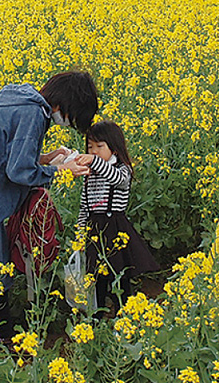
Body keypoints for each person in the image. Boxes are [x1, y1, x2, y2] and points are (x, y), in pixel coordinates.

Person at [0, 71, 98, 338]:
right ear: (62, 106)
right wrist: (63, 172)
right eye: (71, 119)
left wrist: (48, 158)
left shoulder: (22, 103)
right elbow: (18, 171)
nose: (67, 124)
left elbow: (7, 156)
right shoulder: (33, 113)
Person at [75, 120, 160, 314]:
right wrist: (81, 230)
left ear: (113, 149)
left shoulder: (123, 169)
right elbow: (84, 205)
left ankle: (125, 312)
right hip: (94, 228)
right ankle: (97, 315)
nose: (93, 151)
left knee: (118, 273)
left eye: (99, 146)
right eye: (90, 147)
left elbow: (117, 179)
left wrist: (94, 161)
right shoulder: (90, 174)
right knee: (96, 276)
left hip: (114, 226)